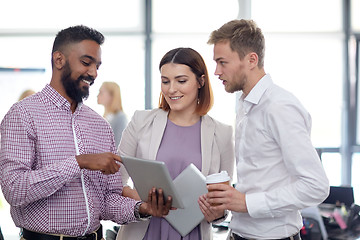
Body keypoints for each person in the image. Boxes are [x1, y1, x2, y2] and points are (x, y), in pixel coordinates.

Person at [0, 25, 170, 240]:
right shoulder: (23, 115)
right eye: (86, 62)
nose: (93, 73)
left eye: (97, 65)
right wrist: (79, 162)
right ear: (59, 60)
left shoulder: (100, 125)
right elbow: (15, 190)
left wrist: (143, 208)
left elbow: (108, 200)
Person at [201, 19, 330, 240]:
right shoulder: (245, 104)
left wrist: (247, 202)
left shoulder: (280, 107)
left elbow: (316, 186)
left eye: (222, 62)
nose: (216, 71)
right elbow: (259, 178)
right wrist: (224, 207)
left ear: (252, 59)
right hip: (238, 234)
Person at [116, 47, 235, 240]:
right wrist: (145, 203)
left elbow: (223, 200)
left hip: (193, 234)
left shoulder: (222, 133)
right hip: (145, 232)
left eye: (181, 81)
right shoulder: (141, 122)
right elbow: (115, 183)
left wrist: (218, 214)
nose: (171, 89)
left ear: (200, 81)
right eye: (165, 81)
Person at [97, 81, 128, 147]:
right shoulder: (105, 117)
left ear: (112, 96)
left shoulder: (120, 118)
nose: (97, 95)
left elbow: (118, 145)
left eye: (101, 92)